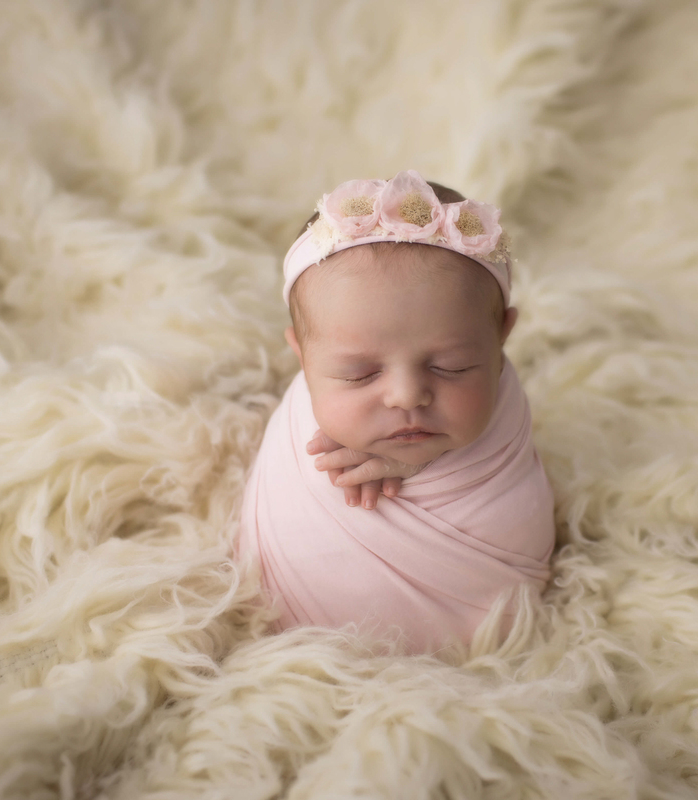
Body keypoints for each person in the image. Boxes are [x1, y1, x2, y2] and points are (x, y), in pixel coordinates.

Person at [234, 170, 555, 655]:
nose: (407, 397)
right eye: (359, 375)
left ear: (501, 338)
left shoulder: (504, 411)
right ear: (302, 354)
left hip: (475, 635)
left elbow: (508, 493)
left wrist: (424, 465)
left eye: (452, 367)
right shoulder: (304, 423)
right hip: (306, 654)